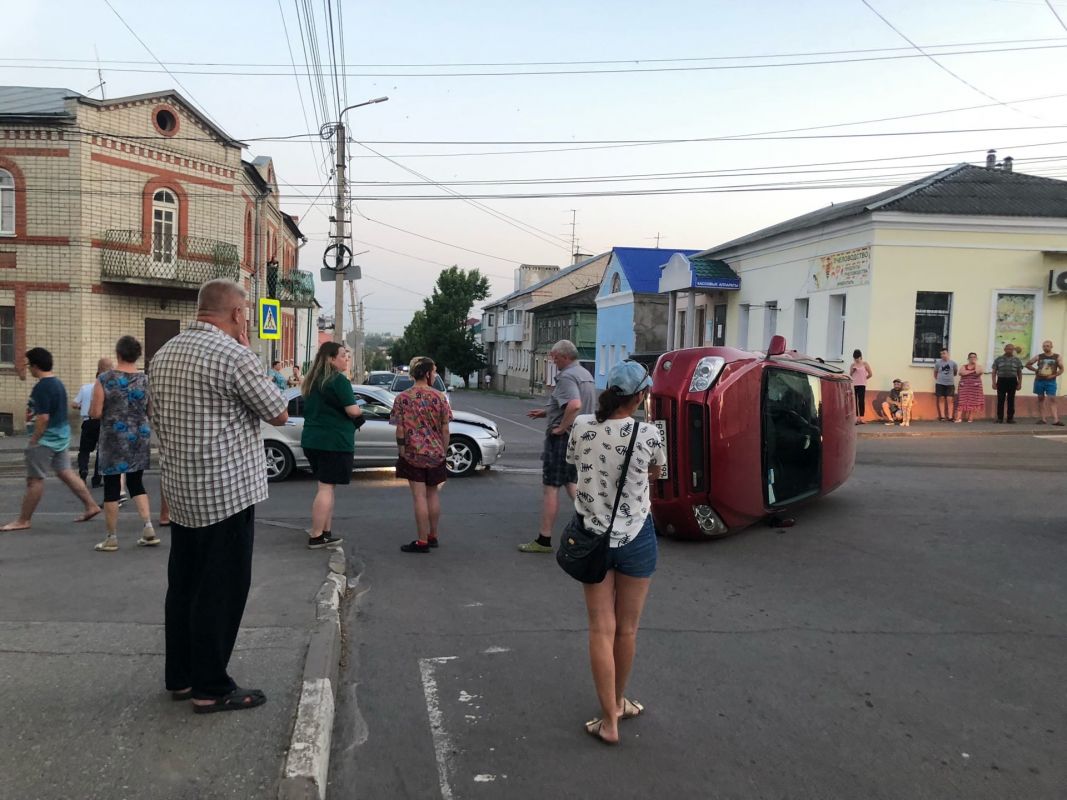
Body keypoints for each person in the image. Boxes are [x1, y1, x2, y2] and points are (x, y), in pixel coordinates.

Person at [148, 279, 288, 714]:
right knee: (221, 590)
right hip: (225, 493)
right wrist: (250, 353)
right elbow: (278, 412)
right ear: (238, 313)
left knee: (184, 586)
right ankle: (211, 687)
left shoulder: (164, 353)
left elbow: (154, 413)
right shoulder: (235, 355)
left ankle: (182, 677)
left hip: (183, 491)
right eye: (244, 311)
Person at [564, 361, 665, 745]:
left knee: (600, 628)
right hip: (637, 537)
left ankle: (609, 720)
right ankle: (619, 701)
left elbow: (574, 467)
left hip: (592, 537)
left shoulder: (582, 426)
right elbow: (659, 474)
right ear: (640, 396)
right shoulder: (650, 433)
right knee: (627, 629)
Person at [2, 348, 102, 531]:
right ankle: (91, 505)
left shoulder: (43, 387)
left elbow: (43, 418)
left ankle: (23, 520)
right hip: (60, 436)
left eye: (28, 365)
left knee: (35, 480)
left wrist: (35, 439)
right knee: (66, 473)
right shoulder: (57, 383)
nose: (28, 369)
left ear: (35, 365)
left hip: (46, 439)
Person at [519, 340, 596, 553]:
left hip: (563, 439)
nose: (553, 360)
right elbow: (576, 405)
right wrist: (546, 412)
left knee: (551, 487)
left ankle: (544, 539)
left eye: (554, 357)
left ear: (564, 356)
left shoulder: (567, 376)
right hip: (580, 437)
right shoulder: (585, 374)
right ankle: (596, 525)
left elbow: (574, 404)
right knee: (571, 483)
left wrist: (561, 428)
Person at [90, 336, 158, 552]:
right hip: (140, 434)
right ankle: (148, 528)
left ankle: (111, 537)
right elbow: (151, 412)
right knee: (136, 482)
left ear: (118, 353)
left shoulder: (104, 379)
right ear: (137, 355)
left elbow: (95, 412)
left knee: (111, 485)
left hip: (113, 437)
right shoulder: (146, 380)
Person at [300, 342, 362, 550]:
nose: (346, 359)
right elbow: (353, 411)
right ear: (330, 358)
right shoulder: (338, 381)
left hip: (312, 439)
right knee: (326, 487)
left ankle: (325, 532)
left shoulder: (312, 381)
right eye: (343, 355)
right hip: (333, 441)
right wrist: (361, 413)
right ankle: (317, 535)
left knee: (325, 485)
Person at [390, 356, 453, 553]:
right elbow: (445, 430)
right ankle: (433, 535)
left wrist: (402, 451)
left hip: (413, 453)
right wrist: (443, 450)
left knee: (419, 497)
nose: (435, 375)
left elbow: (400, 429)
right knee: (432, 494)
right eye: (434, 371)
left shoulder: (402, 398)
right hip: (436, 453)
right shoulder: (440, 397)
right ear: (427, 374)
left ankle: (422, 540)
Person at [73, 357, 112, 488]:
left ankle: (83, 471)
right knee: (101, 451)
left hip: (88, 422)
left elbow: (74, 403)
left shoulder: (85, 388)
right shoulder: (109, 389)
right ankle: (97, 479)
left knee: (84, 450)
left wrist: (81, 406)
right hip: (102, 423)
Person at [1025, 340, 1064, 426]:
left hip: (1051, 381)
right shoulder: (1039, 357)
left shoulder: (1057, 357)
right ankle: (1043, 419)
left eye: (1047, 346)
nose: (1045, 347)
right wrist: (1035, 370)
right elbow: (1028, 364)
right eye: (1044, 346)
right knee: (1040, 398)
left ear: (1051, 346)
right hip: (1039, 381)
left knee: (1052, 399)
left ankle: (1056, 420)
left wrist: (1053, 376)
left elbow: (1062, 369)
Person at [991, 343, 1024, 424]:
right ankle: (1000, 418)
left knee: (1011, 400)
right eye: (1008, 349)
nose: (1009, 350)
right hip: (1001, 381)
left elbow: (1019, 372)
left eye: (1011, 349)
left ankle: (1010, 418)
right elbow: (994, 371)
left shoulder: (1017, 360)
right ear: (1004, 349)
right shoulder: (998, 359)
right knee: (1000, 400)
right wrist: (994, 382)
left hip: (1012, 381)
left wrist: (1019, 383)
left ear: (1013, 350)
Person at [952, 352, 985, 423]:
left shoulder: (978, 366)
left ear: (976, 359)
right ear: (968, 358)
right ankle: (958, 418)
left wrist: (969, 370)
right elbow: (961, 372)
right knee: (961, 401)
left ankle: (970, 418)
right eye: (971, 357)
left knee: (973, 402)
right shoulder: (964, 366)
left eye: (974, 357)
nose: (973, 358)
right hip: (964, 386)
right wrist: (972, 371)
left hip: (975, 387)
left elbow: (979, 372)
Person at [933, 348, 958, 421]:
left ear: (948, 354)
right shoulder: (938, 363)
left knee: (949, 399)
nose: (942, 355)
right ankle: (942, 416)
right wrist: (939, 379)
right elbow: (935, 373)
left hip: (950, 384)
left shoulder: (953, 363)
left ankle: (950, 416)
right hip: (940, 384)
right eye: (941, 354)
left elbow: (955, 372)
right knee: (941, 399)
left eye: (944, 353)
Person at [849, 349, 872, 424]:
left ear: (861, 357)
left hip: (862, 385)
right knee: (854, 401)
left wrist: (864, 379)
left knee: (861, 401)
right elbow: (850, 375)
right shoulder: (852, 365)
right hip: (854, 385)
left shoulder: (865, 364)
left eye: (857, 358)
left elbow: (870, 374)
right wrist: (853, 370)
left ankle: (861, 418)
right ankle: (855, 418)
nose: (856, 360)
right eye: (855, 358)